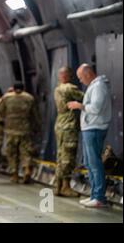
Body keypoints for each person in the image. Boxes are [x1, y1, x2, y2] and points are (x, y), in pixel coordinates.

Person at [68, 64, 112, 208]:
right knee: (88, 163)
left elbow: (96, 108)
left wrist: (79, 106)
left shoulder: (99, 86)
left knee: (95, 163)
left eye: (81, 77)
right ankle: (94, 194)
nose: (80, 80)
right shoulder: (94, 86)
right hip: (89, 128)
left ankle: (99, 197)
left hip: (95, 128)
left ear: (88, 74)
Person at [0, 82, 40, 184]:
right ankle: (26, 169)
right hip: (24, 130)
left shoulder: (7, 98)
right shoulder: (29, 98)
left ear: (13, 88)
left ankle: (14, 174)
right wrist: (36, 127)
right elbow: (34, 114)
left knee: (11, 153)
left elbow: (0, 110)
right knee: (25, 152)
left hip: (10, 130)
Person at [53, 67, 84, 197]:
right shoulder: (70, 88)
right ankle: (66, 186)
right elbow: (85, 98)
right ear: (69, 76)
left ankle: (58, 186)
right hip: (69, 126)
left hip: (59, 124)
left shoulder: (57, 89)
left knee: (60, 156)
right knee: (68, 157)